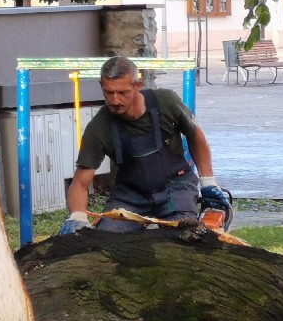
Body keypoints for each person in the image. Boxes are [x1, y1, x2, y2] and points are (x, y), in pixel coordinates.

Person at [58, 55, 230, 235]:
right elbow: (80, 183)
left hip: (175, 186)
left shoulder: (165, 102)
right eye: (109, 93)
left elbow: (195, 136)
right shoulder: (99, 127)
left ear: (137, 85)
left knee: (183, 234)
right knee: (106, 240)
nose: (115, 101)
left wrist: (208, 182)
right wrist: (77, 216)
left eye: (122, 93)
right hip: (130, 194)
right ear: (102, 86)